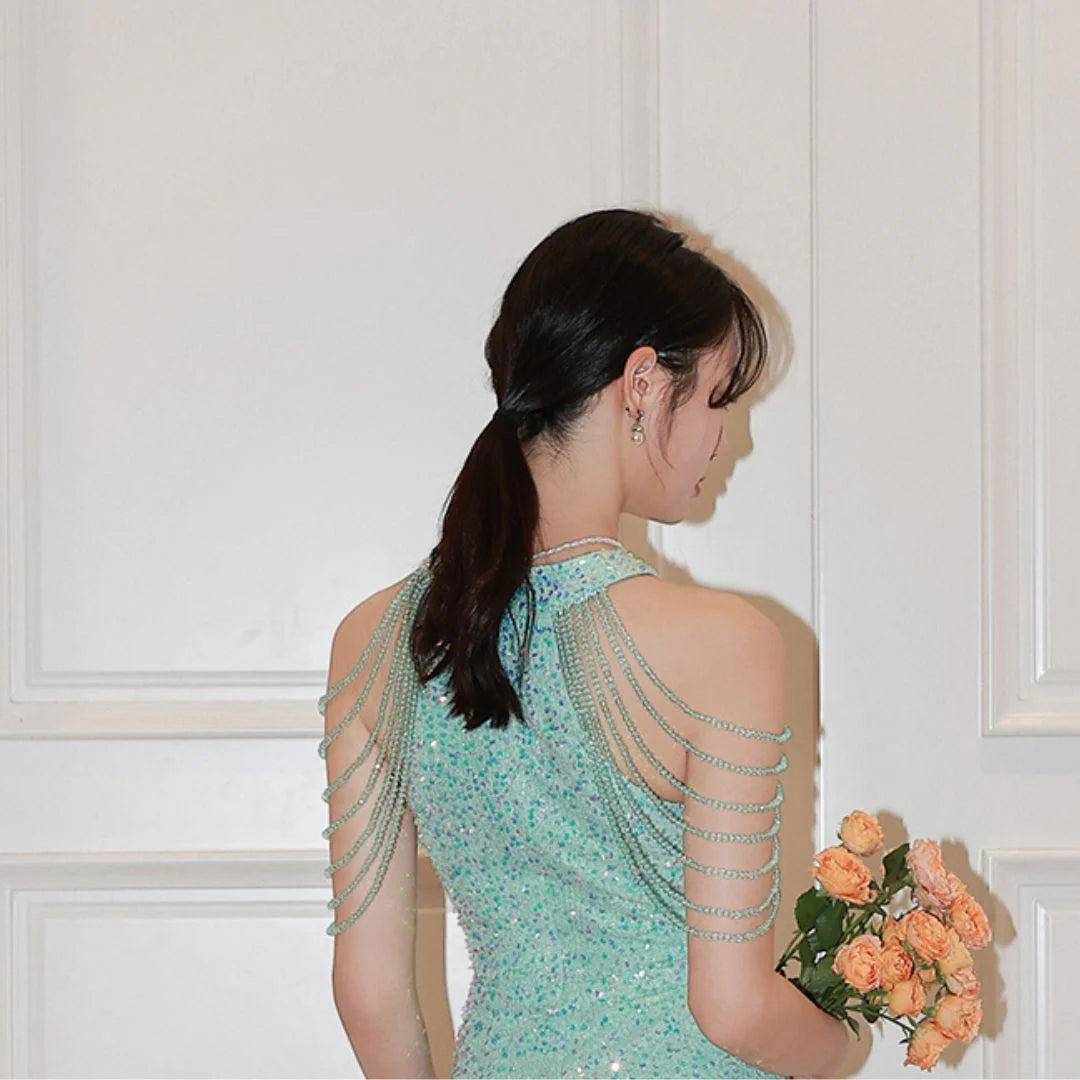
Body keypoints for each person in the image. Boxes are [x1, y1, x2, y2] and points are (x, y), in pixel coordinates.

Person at [318, 208, 851, 1079]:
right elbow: (735, 1009)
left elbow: (370, 993)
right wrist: (844, 1041)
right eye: (716, 398)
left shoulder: (373, 642)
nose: (726, 436)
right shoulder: (725, 645)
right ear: (642, 382)